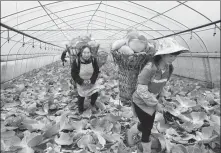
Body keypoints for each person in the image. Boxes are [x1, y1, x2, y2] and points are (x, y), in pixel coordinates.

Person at [127, 42, 189, 152]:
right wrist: (156, 104)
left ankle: (131, 132)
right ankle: (146, 149)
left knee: (148, 124)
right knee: (147, 129)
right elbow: (141, 90)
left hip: (152, 101)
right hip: (140, 101)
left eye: (175, 55)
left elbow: (162, 84)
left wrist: (163, 98)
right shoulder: (149, 68)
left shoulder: (169, 68)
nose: (173, 58)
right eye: (170, 55)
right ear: (162, 55)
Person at [71, 45, 100, 114]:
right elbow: (73, 73)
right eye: (84, 53)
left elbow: (96, 71)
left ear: (90, 53)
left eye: (88, 52)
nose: (86, 55)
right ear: (81, 53)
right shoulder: (77, 61)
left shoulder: (93, 60)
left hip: (91, 82)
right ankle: (81, 110)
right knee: (81, 96)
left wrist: (92, 80)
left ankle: (92, 104)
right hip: (81, 82)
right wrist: (81, 81)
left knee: (95, 93)